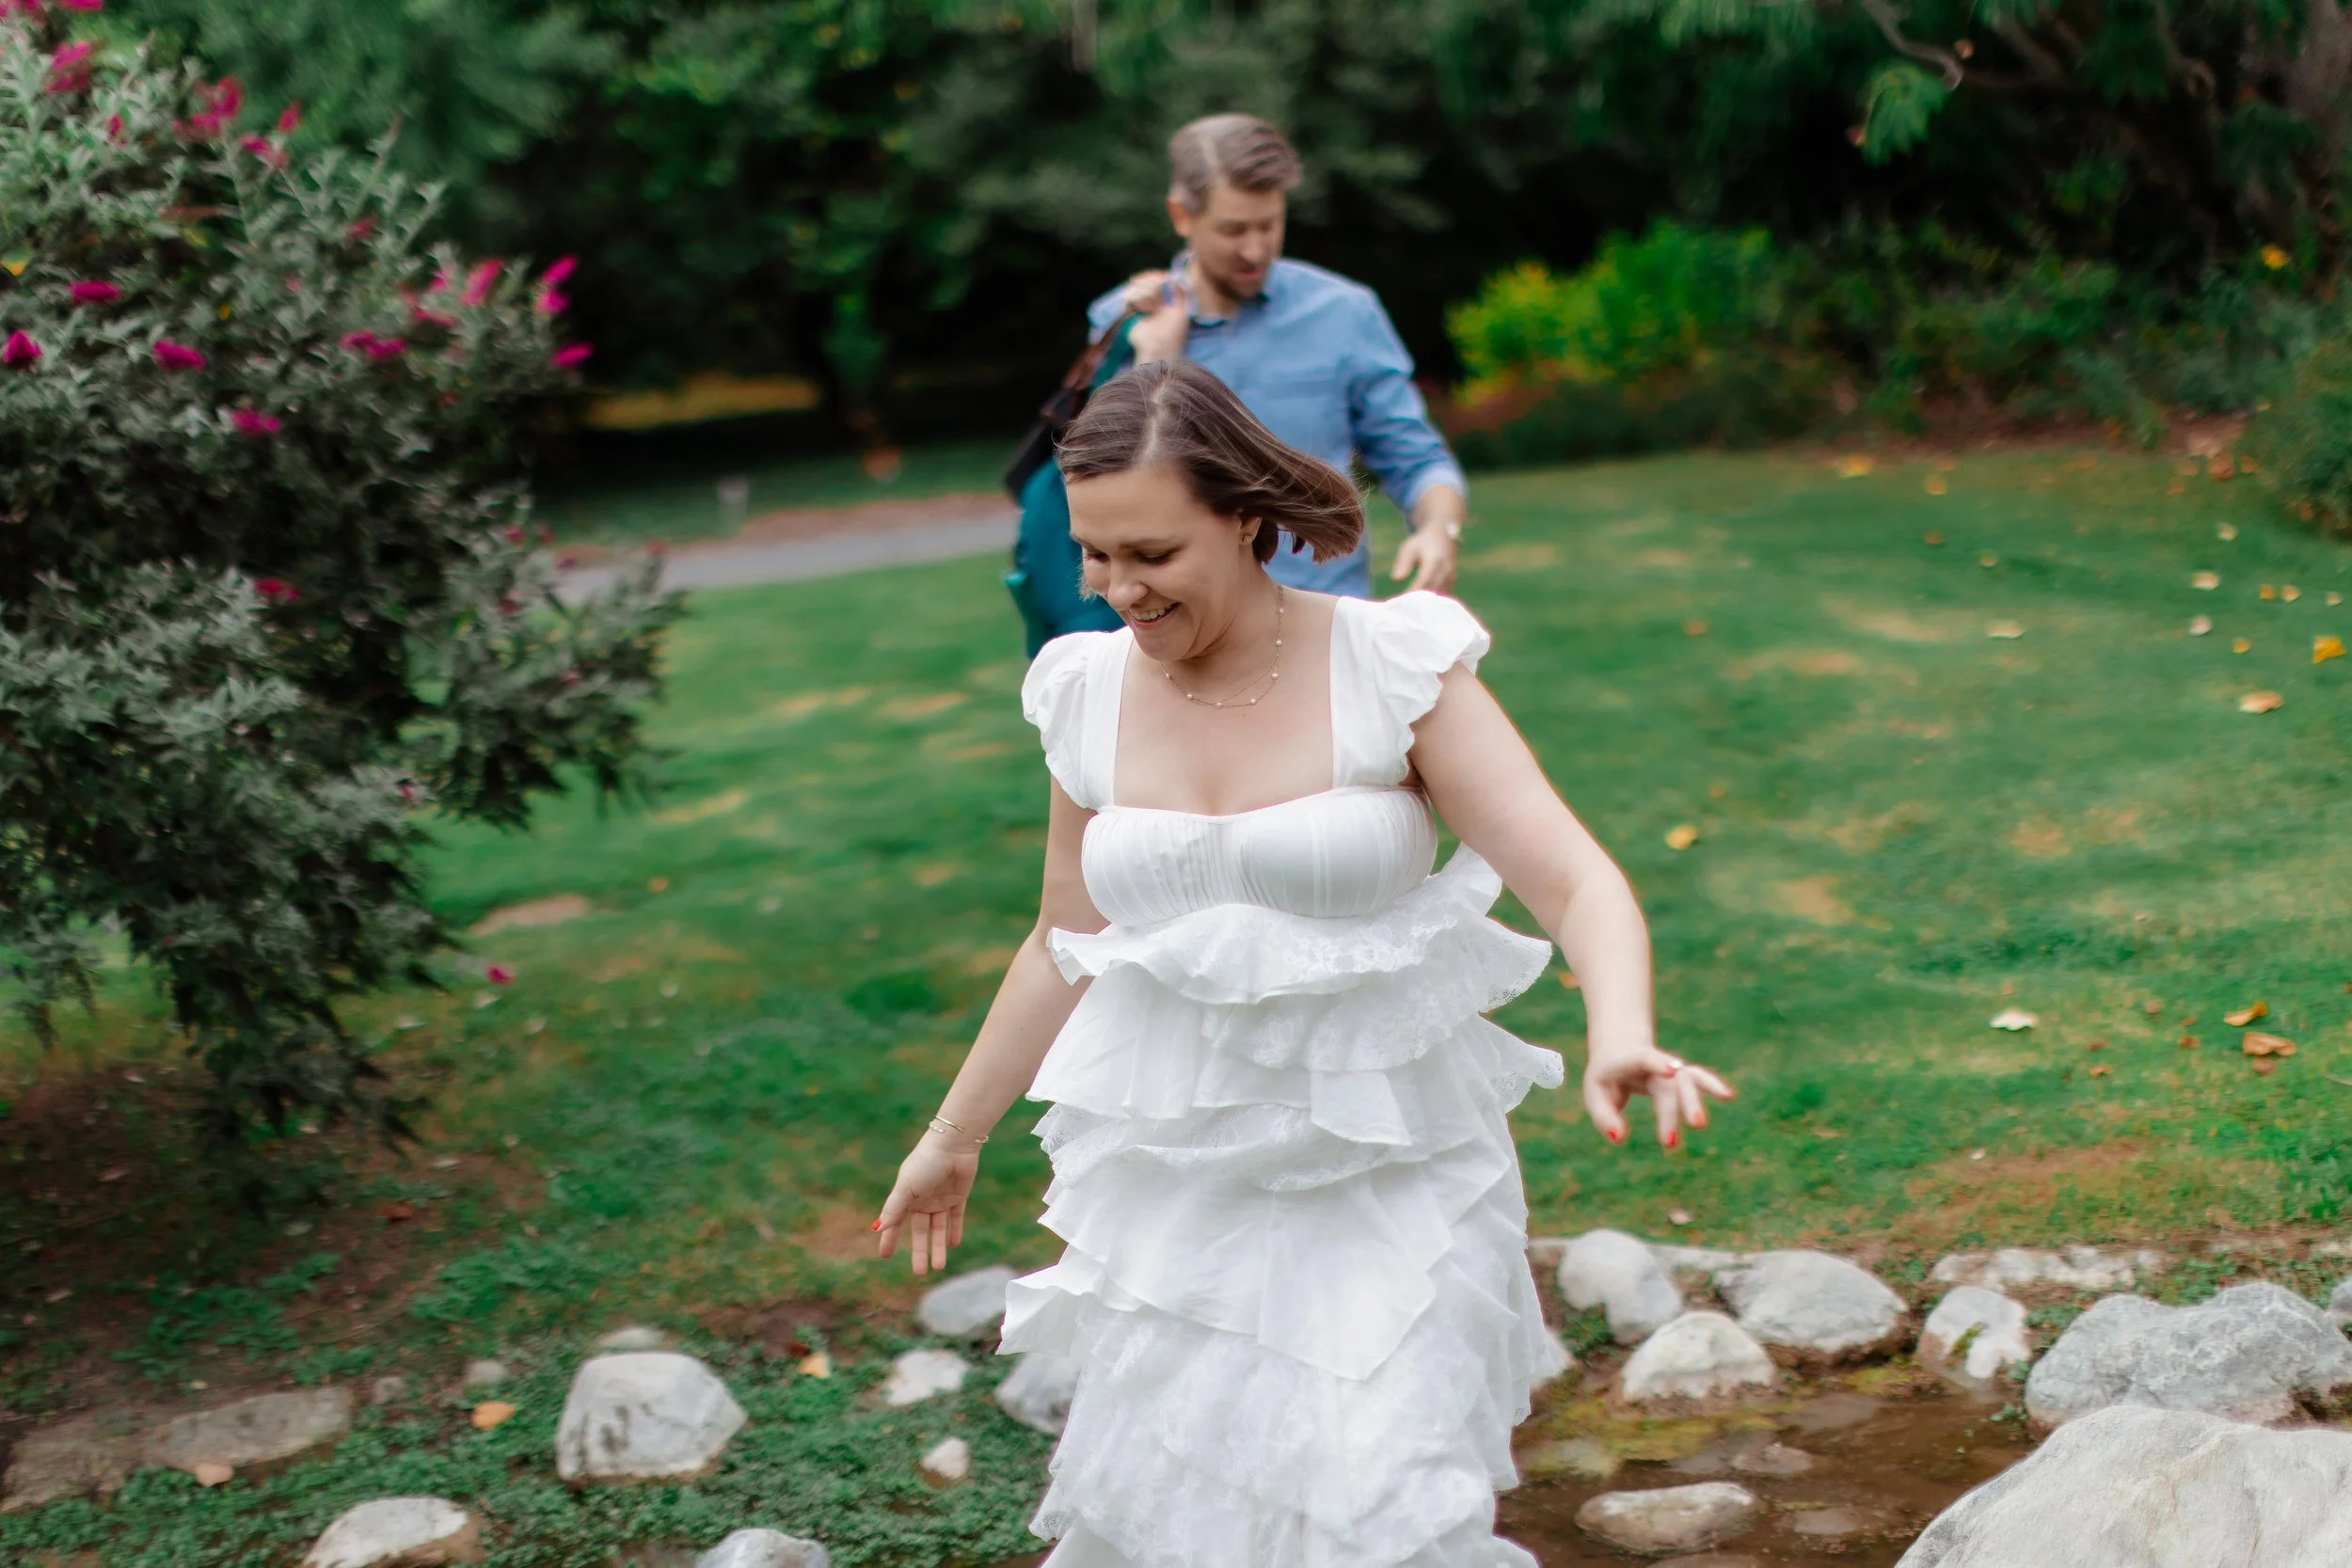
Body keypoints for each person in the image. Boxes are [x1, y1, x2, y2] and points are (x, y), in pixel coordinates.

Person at [874, 358, 1734, 1566]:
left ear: (1243, 516)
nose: (1118, 587)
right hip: (1181, 1203)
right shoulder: (1081, 692)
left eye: (1153, 554)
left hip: (1385, 1181)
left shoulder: (1390, 665)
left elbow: (1575, 877)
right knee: (1193, 1515)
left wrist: (1622, 1028)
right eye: (1095, 553)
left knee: (1382, 1499)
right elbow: (1061, 939)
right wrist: (953, 1134)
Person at [1092, 112, 1469, 599]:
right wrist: (1155, 361)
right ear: (1181, 216)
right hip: (1170, 633)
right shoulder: (1121, 323)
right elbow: (1103, 500)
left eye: (1269, 225)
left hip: (1323, 624)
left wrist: (1439, 529)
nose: (1255, 250)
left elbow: (1413, 454)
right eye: (1233, 230)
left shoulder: (1343, 312)